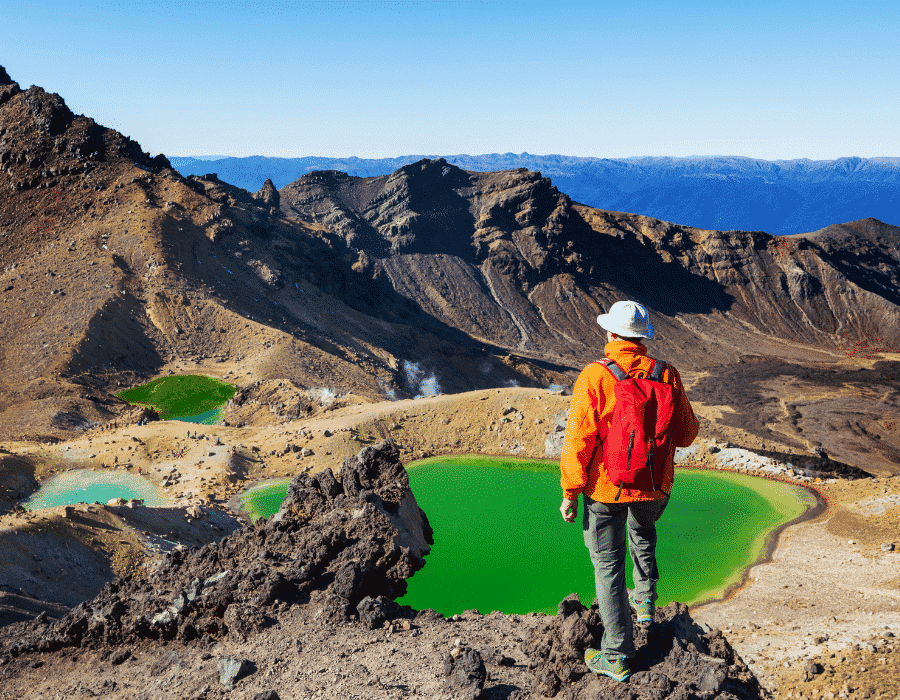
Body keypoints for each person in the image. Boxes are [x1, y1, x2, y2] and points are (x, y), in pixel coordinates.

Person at [559, 300, 699, 682]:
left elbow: (579, 441)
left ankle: (617, 655)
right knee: (643, 532)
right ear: (644, 337)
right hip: (655, 486)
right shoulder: (666, 373)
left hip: (606, 489)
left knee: (607, 568)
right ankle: (646, 601)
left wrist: (571, 493)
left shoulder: (596, 375)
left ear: (611, 334)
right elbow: (687, 434)